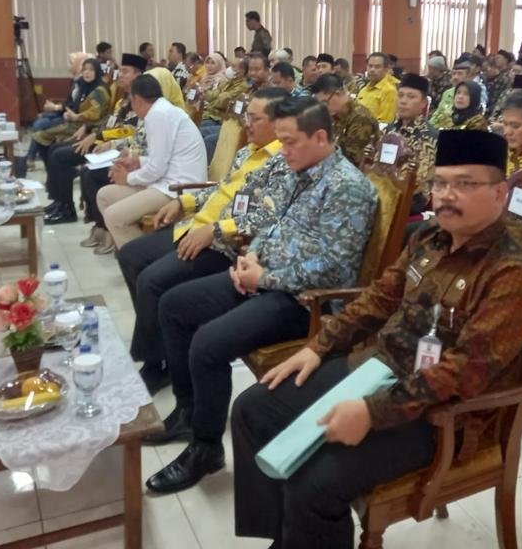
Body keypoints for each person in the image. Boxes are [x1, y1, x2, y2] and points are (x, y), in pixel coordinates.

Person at [231, 129, 522, 549]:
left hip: (438, 415)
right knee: (253, 410)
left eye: (465, 184)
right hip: (375, 367)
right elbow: (380, 298)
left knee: (315, 482)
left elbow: (462, 373)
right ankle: (287, 537)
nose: (447, 195)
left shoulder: (511, 274)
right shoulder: (429, 236)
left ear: (499, 193)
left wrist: (371, 411)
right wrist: (317, 347)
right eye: (440, 183)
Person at [143, 97, 378, 495]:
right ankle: (188, 410)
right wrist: (251, 256)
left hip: (304, 301)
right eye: (281, 141)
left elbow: (333, 268)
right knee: (174, 305)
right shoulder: (298, 171)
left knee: (208, 343)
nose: (283, 150)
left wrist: (264, 277)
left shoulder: (348, 188)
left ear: (321, 137)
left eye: (290, 141)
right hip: (262, 276)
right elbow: (272, 224)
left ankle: (206, 447)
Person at [116, 88, 290, 392]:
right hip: (195, 226)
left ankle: (157, 364)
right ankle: (159, 351)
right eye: (247, 116)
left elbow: (268, 216)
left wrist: (215, 230)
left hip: (223, 244)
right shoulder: (248, 151)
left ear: (278, 124)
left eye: (255, 118)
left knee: (152, 281)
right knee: (130, 256)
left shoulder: (282, 161)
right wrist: (184, 203)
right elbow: (220, 188)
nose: (246, 123)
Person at [94, 74, 207, 251]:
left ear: (137, 99)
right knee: (104, 196)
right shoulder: (161, 110)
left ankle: (140, 260)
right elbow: (163, 160)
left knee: (114, 216)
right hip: (166, 181)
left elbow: (157, 169)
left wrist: (128, 178)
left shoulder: (158, 115)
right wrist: (137, 161)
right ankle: (132, 250)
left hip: (178, 188)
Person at [44, 53, 146, 226]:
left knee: (60, 156)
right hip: (102, 141)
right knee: (55, 149)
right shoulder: (123, 99)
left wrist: (97, 136)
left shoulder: (140, 100)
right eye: (120, 71)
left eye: (125, 72)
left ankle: (68, 210)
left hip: (115, 147)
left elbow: (127, 131)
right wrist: (90, 128)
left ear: (138, 75)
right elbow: (109, 120)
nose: (120, 75)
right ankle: (60, 203)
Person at [30, 58, 111, 165]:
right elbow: (72, 104)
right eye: (85, 69)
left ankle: (39, 164)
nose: (87, 72)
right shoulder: (83, 85)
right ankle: (47, 167)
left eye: (91, 70)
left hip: (89, 127)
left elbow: (95, 114)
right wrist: (69, 113)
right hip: (74, 122)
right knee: (40, 134)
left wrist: (76, 116)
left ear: (97, 72)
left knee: (43, 136)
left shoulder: (100, 91)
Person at [384, 73, 438, 213]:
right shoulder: (389, 130)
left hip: (412, 199)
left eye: (411, 97)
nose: (403, 101)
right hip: (384, 190)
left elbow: (417, 183)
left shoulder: (428, 137)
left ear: (423, 103)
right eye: (400, 95)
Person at [311, 73, 379, 167]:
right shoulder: (335, 115)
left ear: (338, 94)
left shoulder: (361, 118)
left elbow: (351, 159)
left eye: (325, 102)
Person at [430, 57, 476, 128]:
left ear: (469, 76)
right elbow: (437, 113)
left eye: (460, 74)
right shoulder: (447, 93)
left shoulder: (474, 92)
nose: (455, 77)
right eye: (454, 74)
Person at [354, 52, 398, 123]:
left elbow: (385, 123)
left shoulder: (389, 91)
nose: (372, 70)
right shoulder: (364, 90)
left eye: (377, 67)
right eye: (370, 66)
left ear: (386, 69)